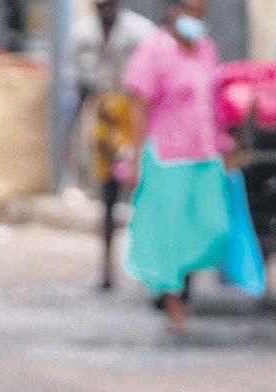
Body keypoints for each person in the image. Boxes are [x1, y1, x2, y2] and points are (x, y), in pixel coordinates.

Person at [121, 0, 234, 332]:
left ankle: (174, 280)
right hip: (167, 156)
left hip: (204, 152)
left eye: (201, 12)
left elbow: (212, 102)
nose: (195, 18)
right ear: (173, 10)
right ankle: (172, 298)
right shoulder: (153, 49)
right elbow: (139, 104)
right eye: (190, 10)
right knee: (169, 233)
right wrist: (135, 155)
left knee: (213, 225)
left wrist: (224, 143)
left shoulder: (206, 49)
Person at [70, 0, 155, 288]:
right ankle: (107, 268)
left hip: (131, 116)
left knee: (140, 192)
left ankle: (148, 265)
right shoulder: (82, 34)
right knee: (106, 195)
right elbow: (80, 87)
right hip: (103, 119)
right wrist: (73, 136)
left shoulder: (141, 32)